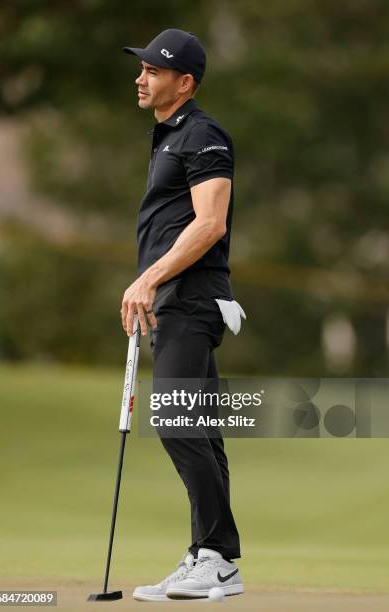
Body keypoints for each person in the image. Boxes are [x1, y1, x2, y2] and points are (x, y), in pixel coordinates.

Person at [121, 28, 245, 601]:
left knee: (175, 421)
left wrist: (147, 276)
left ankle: (217, 556)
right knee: (203, 433)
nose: (141, 77)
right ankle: (208, 554)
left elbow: (210, 224)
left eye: (153, 70)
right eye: (141, 68)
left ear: (184, 82)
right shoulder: (168, 136)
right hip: (176, 300)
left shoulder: (203, 134)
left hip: (192, 299)